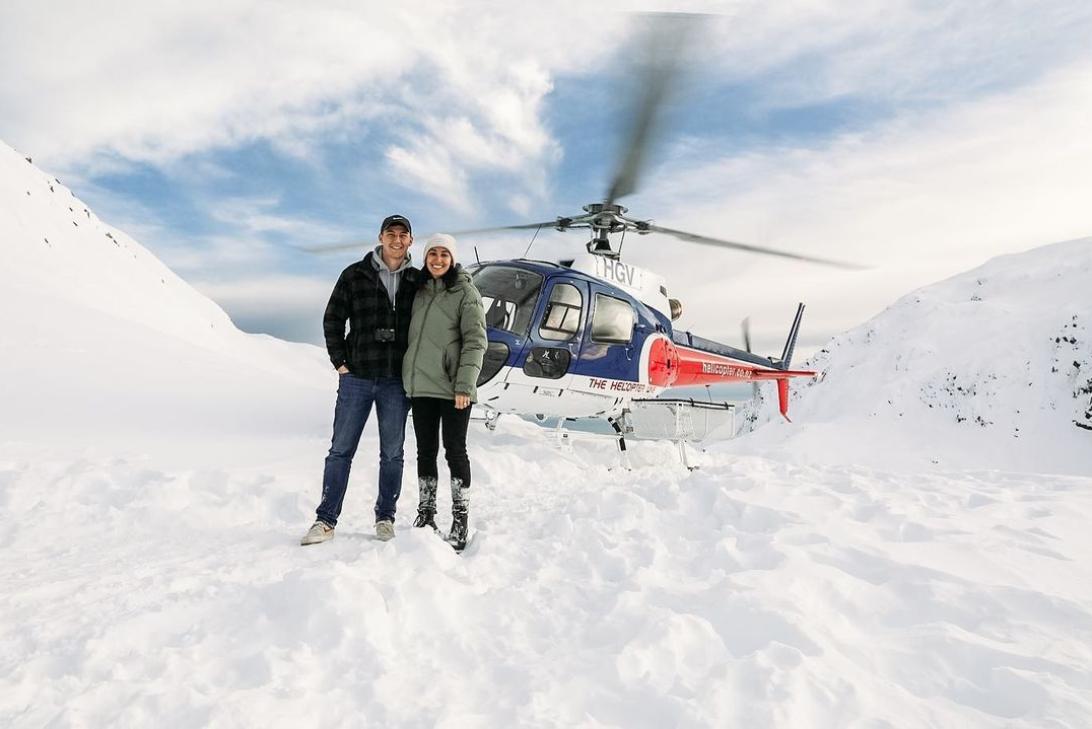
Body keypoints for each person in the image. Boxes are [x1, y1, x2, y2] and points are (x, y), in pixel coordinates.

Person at [301, 214, 421, 545]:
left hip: (397, 381)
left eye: (403, 234)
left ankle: (385, 518)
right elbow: (333, 319)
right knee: (340, 450)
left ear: (411, 240)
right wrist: (340, 362)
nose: (397, 239)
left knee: (393, 453)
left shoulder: (418, 280)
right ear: (381, 237)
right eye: (391, 233)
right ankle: (325, 520)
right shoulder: (355, 274)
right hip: (357, 377)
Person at [402, 233, 486, 550]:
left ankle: (460, 520)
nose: (438, 260)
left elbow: (476, 341)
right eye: (432, 254)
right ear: (425, 258)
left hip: (454, 390)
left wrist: (465, 384)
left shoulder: (466, 292)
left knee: (455, 451)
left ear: (452, 259)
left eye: (444, 255)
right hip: (422, 385)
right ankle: (426, 514)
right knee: (426, 451)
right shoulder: (419, 292)